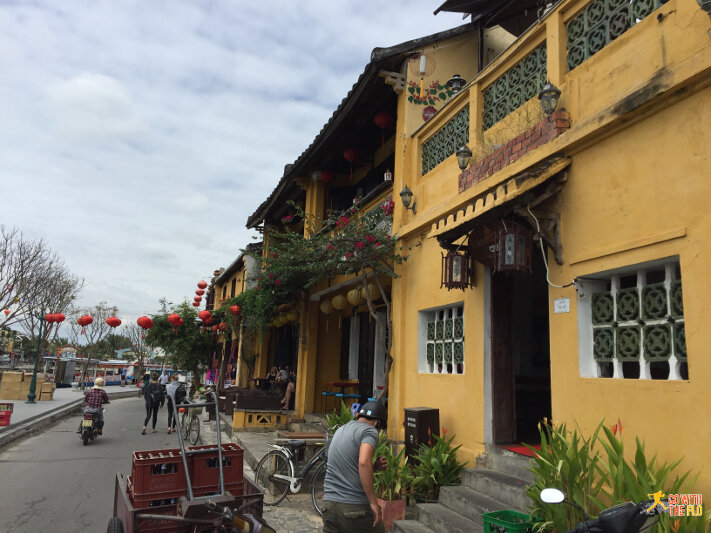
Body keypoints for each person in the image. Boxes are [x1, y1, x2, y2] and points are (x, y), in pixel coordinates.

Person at [322, 401, 388, 533]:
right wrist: (373, 502)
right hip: (353, 508)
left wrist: (373, 467)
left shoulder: (342, 429)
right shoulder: (369, 431)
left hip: (329, 506)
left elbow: (347, 465)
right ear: (378, 423)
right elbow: (363, 462)